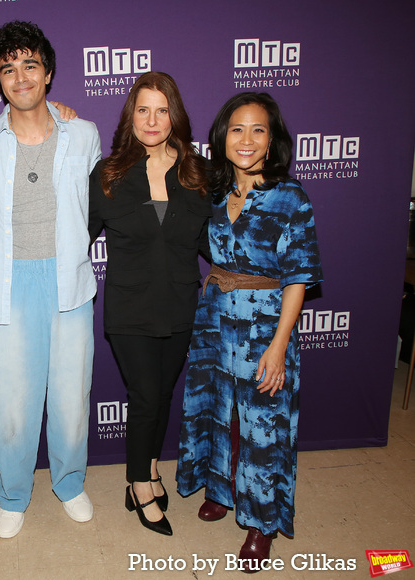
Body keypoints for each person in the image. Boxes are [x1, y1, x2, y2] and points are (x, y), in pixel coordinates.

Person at [0, 21, 101, 539]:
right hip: (8, 286)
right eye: (8, 69)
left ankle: (68, 483)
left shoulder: (84, 134)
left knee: (70, 395)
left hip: (70, 284)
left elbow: (103, 200)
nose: (20, 77)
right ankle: (13, 494)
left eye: (29, 65)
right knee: (11, 402)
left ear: (48, 73)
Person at [176, 92, 322, 571]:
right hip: (215, 321)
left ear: (272, 139)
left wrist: (279, 348)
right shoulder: (215, 193)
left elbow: (299, 278)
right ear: (221, 136)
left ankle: (261, 522)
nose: (246, 139)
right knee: (218, 412)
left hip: (265, 327)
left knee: (262, 428)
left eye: (258, 129)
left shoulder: (290, 198)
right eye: (237, 129)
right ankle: (219, 489)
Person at [89, 72, 210, 536]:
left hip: (181, 306)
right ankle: (139, 483)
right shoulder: (109, 174)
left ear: (174, 115)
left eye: (162, 109)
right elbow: (76, 237)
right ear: (131, 117)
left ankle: (150, 466)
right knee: (143, 398)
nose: (153, 119)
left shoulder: (197, 173)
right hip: (130, 311)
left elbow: (209, 243)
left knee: (161, 396)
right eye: (143, 109)